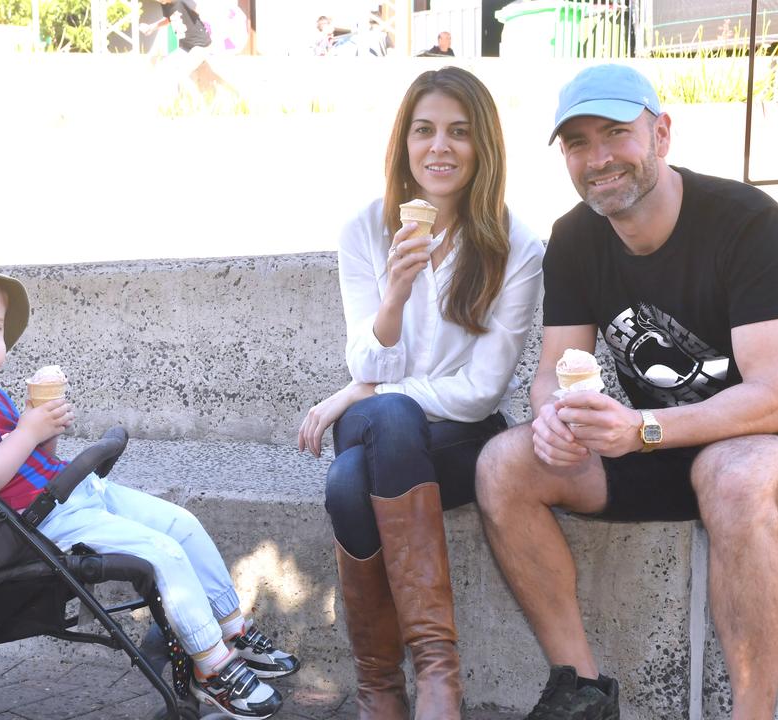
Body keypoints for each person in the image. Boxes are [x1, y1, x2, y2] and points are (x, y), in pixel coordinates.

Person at [474, 64, 778, 720]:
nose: (599, 158)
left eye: (616, 133)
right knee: (503, 464)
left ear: (661, 134)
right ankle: (583, 691)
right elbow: (554, 369)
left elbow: (774, 398)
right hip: (654, 445)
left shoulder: (747, 223)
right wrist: (551, 420)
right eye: (577, 143)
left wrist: (641, 428)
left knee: (730, 473)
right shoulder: (574, 237)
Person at [0, 254, 299, 720]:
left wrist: (43, 432)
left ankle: (232, 628)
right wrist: (27, 431)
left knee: (182, 523)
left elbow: (33, 459)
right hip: (39, 520)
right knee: (161, 552)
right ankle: (212, 668)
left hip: (72, 491)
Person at [298, 66, 543, 719]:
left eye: (460, 133)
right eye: (425, 130)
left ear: (482, 147)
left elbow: (480, 390)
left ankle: (385, 687)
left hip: (461, 438)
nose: (441, 147)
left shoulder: (515, 246)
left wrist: (360, 392)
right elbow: (363, 353)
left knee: (349, 481)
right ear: (403, 143)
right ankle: (438, 679)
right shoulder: (364, 231)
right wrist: (397, 291)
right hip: (384, 423)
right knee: (392, 416)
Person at [139, 0, 213, 53]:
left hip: (200, 44)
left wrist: (207, 26)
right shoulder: (165, 5)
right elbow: (169, 19)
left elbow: (198, 10)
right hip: (186, 46)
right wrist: (152, 27)